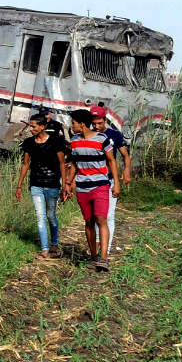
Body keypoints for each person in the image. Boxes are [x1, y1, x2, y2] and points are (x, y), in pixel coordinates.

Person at [65, 108, 120, 271]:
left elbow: (111, 161)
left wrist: (116, 183)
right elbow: (74, 163)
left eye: (73, 123)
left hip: (101, 185)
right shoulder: (74, 141)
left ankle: (103, 258)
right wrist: (68, 182)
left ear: (82, 124)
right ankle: (93, 256)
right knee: (88, 222)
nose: (71, 126)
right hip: (82, 187)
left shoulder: (102, 139)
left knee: (101, 219)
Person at [16, 114, 67, 259]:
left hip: (52, 184)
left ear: (42, 127)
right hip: (36, 185)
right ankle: (45, 249)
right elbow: (25, 164)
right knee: (40, 216)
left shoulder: (55, 142)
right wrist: (19, 186)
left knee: (51, 215)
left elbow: (62, 163)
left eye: (33, 126)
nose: (30, 129)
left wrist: (64, 185)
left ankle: (54, 244)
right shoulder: (29, 143)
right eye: (30, 126)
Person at [90, 106, 129, 254]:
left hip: (109, 180)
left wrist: (126, 171)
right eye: (94, 124)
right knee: (96, 215)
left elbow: (125, 155)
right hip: (93, 180)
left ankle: (106, 248)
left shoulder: (114, 135)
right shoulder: (89, 135)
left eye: (99, 123)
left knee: (108, 215)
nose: (97, 126)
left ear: (105, 120)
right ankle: (98, 244)